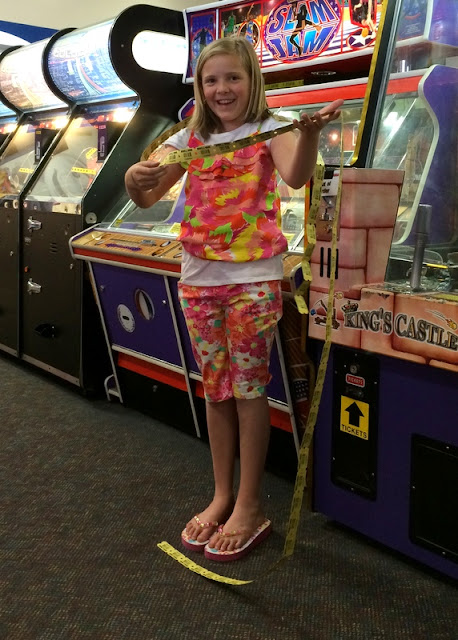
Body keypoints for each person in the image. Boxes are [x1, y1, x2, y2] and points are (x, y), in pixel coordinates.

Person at [125, 37, 342, 562]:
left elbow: (296, 176)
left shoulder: (273, 128)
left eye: (233, 78)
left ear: (252, 81)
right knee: (216, 389)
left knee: (248, 390)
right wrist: (133, 177)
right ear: (200, 88)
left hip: (252, 281)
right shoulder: (189, 137)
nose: (222, 89)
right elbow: (147, 196)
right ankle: (222, 494)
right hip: (198, 280)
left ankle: (249, 503)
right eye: (211, 80)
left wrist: (310, 135)